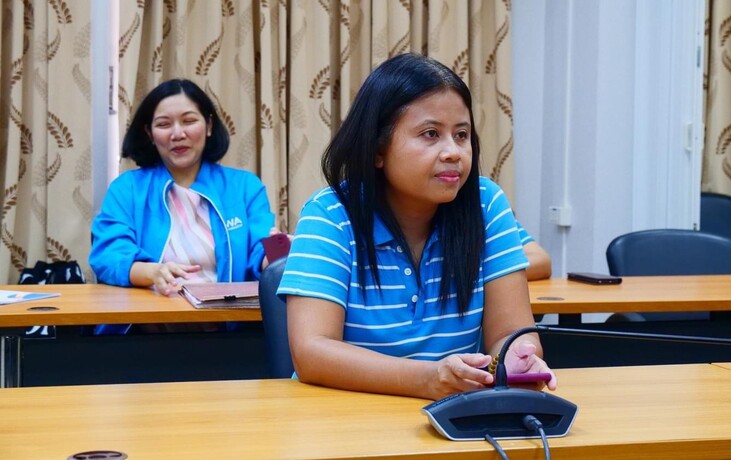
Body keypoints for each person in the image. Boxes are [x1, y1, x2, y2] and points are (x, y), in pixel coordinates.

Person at [277, 53, 557, 400]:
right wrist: (427, 379)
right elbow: (312, 352)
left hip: (453, 412)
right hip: (341, 413)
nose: (453, 152)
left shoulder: (486, 205)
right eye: (430, 134)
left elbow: (511, 332)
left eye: (461, 135)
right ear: (377, 149)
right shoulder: (330, 214)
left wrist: (516, 359)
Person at [89, 78, 275, 333]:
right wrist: (151, 272)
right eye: (164, 124)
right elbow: (108, 255)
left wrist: (276, 255)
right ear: (149, 134)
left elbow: (260, 251)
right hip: (145, 334)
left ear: (209, 126)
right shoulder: (127, 188)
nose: (178, 134)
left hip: (229, 333)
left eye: (189, 121)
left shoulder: (245, 187)